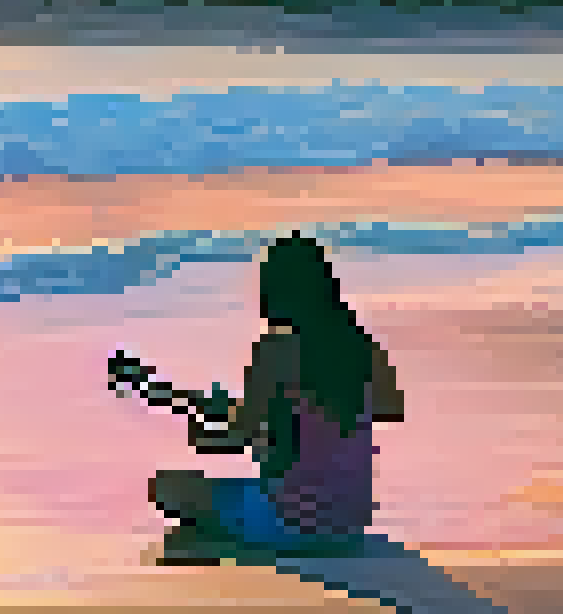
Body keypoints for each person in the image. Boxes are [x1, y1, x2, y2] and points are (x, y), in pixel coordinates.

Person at [144, 233, 404, 555]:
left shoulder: (274, 350)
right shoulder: (364, 349)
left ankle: (228, 533)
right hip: (352, 523)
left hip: (294, 522)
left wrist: (203, 430)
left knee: (167, 487)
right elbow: (390, 409)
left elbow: (236, 438)